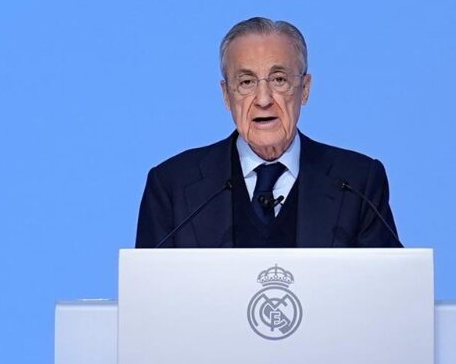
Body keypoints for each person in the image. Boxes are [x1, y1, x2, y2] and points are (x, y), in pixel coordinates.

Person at [135, 17, 400, 248]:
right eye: (246, 82)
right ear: (226, 95)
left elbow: (389, 286)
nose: (263, 99)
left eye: (279, 79)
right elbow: (149, 287)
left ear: (305, 89)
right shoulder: (172, 186)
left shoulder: (357, 183)